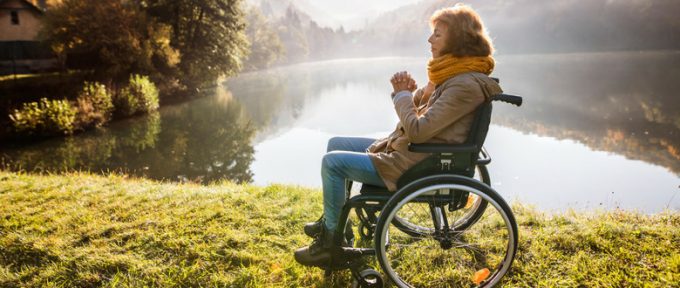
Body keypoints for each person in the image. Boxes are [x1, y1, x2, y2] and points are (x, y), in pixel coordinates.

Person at [294, 3, 503, 267]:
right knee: (336, 143)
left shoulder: (463, 84)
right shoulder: (453, 76)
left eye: (437, 34)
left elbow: (417, 131)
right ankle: (334, 225)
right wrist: (416, 94)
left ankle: (330, 244)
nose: (430, 39)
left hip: (413, 164)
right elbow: (424, 117)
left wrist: (401, 95)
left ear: (458, 40)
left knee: (332, 163)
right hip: (410, 152)